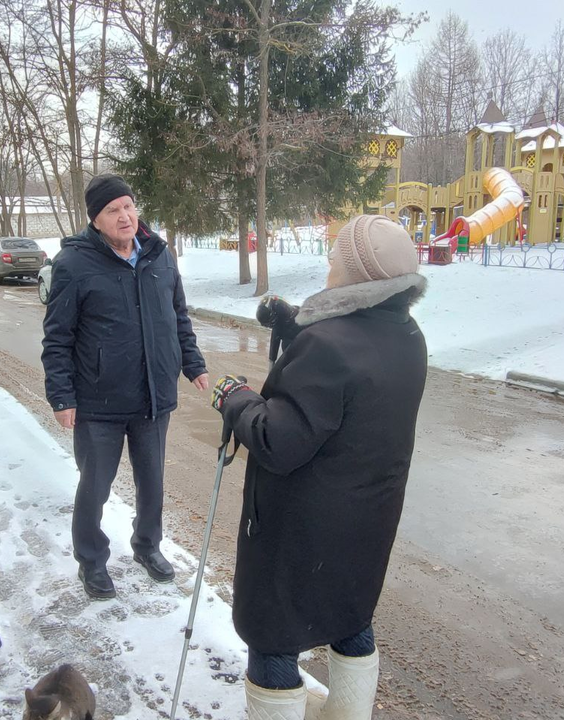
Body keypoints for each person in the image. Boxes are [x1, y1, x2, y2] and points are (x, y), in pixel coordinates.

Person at [210, 215, 429, 720]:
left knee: (274, 638)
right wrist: (293, 325)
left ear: (357, 274)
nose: (328, 263)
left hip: (303, 527)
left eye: (336, 257)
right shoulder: (406, 334)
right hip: (366, 520)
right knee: (350, 614)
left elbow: (276, 441)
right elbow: (348, 382)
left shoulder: (328, 347)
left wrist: (236, 398)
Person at [42, 174, 209, 600]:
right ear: (95, 220)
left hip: (154, 396)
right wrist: (61, 395)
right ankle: (91, 561)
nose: (125, 216)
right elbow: (58, 336)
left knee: (152, 481)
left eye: (129, 206)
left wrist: (192, 364)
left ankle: (147, 547)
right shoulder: (74, 265)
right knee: (95, 486)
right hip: (99, 401)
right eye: (112, 210)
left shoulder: (159, 255)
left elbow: (179, 317)